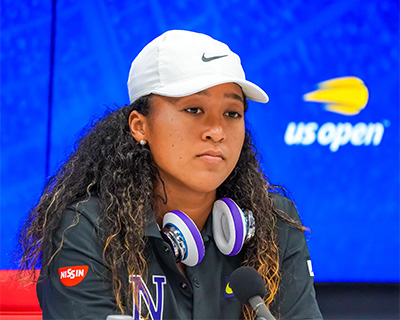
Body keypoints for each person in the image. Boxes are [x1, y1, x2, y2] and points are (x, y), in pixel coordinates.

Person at [18, 30, 323, 320]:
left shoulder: (273, 220)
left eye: (232, 113)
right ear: (140, 126)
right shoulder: (87, 227)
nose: (217, 132)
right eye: (193, 109)